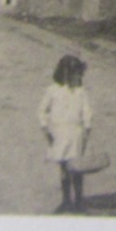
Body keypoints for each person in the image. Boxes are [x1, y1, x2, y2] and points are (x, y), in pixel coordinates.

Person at [39, 54, 93, 213]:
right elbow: (42, 110)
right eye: (74, 73)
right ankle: (66, 200)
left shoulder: (81, 92)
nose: (78, 77)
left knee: (77, 168)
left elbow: (87, 111)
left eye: (79, 74)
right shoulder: (53, 91)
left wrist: (87, 129)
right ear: (65, 73)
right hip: (60, 133)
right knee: (64, 167)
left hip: (76, 132)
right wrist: (45, 128)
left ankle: (79, 201)